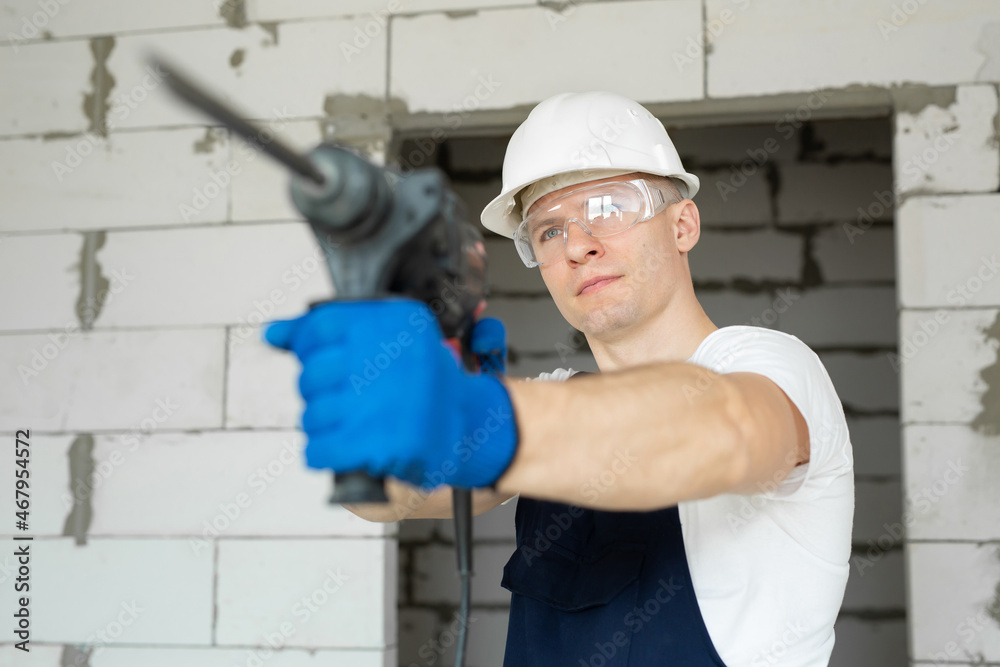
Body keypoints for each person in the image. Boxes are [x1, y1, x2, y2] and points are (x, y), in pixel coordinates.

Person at [263, 91, 855, 666]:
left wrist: (481, 416)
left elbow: (724, 429)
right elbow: (393, 500)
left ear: (682, 225)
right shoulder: (549, 400)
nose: (577, 245)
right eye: (548, 230)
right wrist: (388, 420)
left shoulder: (772, 367)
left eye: (607, 207)